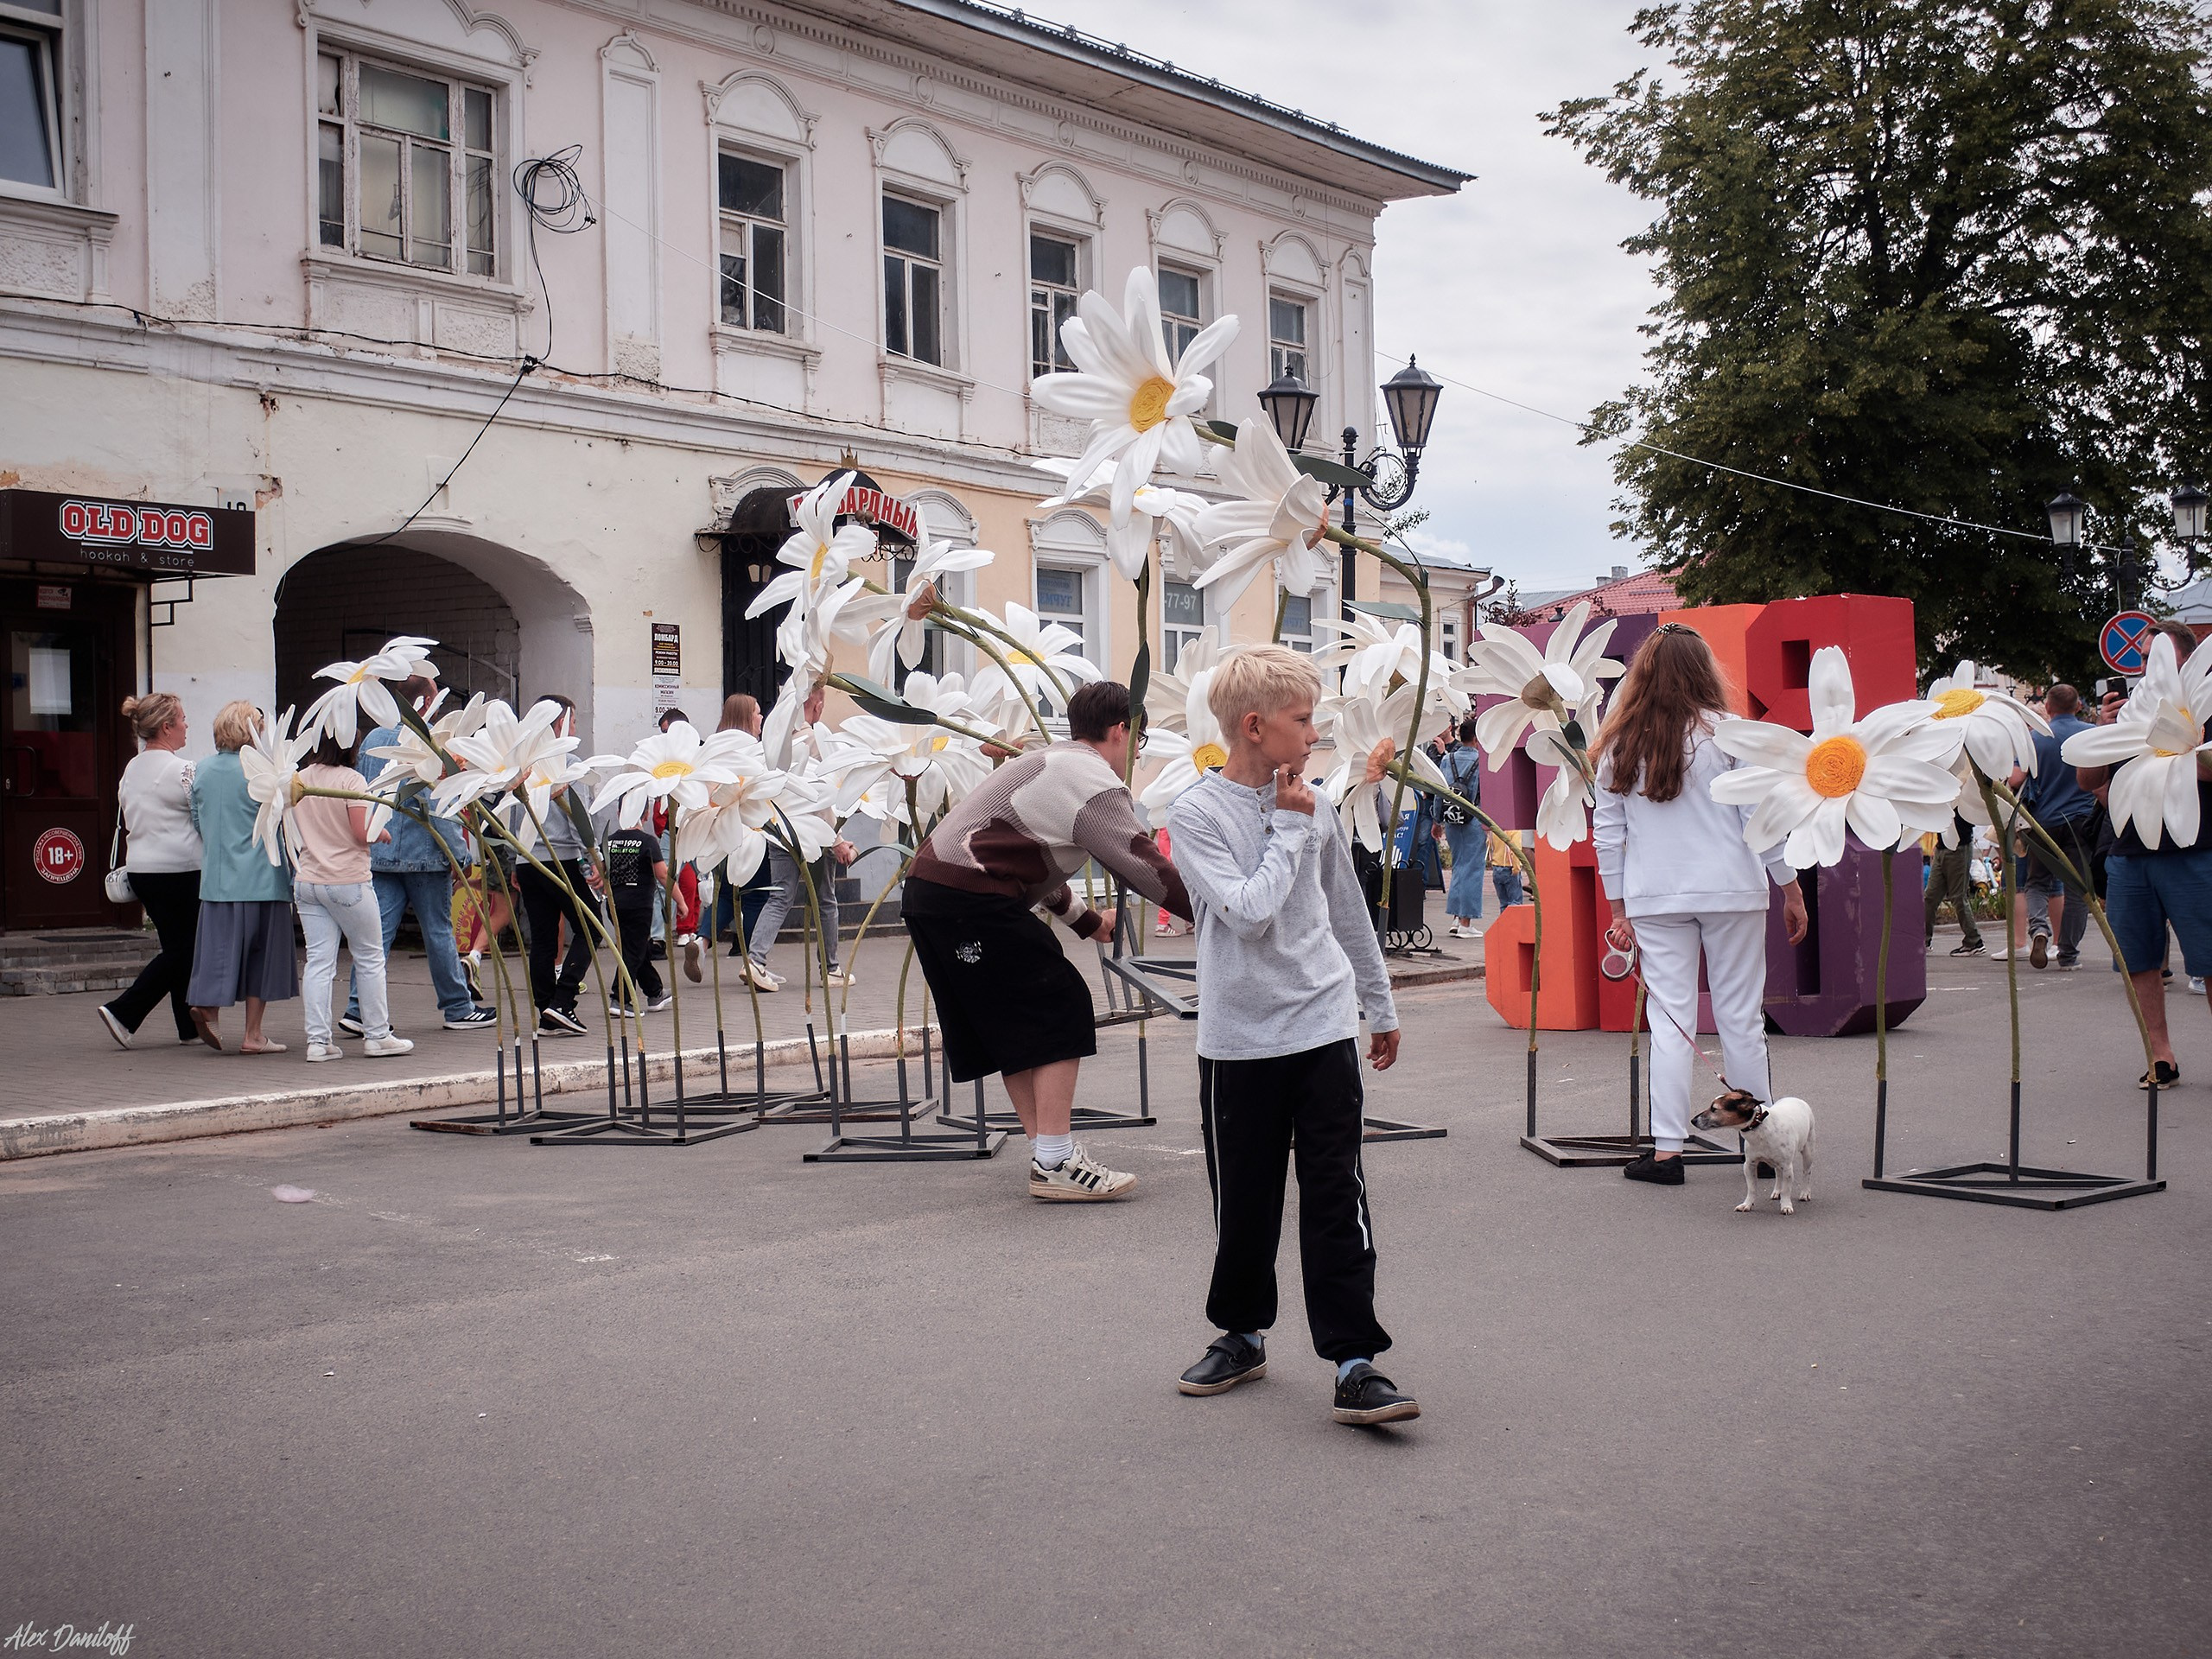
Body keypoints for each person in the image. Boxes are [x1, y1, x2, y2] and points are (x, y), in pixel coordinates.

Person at [1166, 645, 1415, 1427]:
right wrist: (1286, 826)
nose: (1313, 735)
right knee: (1245, 1200)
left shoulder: (1312, 805)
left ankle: (1355, 1362)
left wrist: (1380, 1005)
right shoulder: (1195, 814)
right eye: (1302, 721)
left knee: (1337, 1194)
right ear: (1254, 727)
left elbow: (1346, 908)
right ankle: (1242, 1336)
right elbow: (1248, 912)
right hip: (1238, 1041)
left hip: (1322, 1025)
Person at [903, 678, 1192, 1201]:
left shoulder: (1049, 762)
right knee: (1061, 1004)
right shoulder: (1091, 778)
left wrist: (1087, 922)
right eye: (1139, 740)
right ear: (1121, 730)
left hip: (934, 891)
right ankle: (1057, 1160)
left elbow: (1027, 860)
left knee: (1015, 1024)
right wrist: (1220, 912)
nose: (1136, 754)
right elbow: (1140, 862)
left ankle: (1048, 1156)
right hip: (969, 896)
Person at [1592, 623, 1808, 1185]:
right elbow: (1759, 821)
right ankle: (1764, 1148)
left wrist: (1617, 909)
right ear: (1704, 670)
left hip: (1655, 896)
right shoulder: (1731, 736)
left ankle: (1667, 1153)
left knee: (1670, 1023)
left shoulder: (1619, 743)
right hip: (1733, 891)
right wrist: (1789, 887)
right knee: (1741, 1018)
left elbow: (1608, 835)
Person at [2075, 620, 2212, 1088]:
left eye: (2158, 655)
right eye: (2143, 657)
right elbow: (2088, 781)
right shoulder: (2132, 712)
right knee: (2137, 960)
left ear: (2186, 658)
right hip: (2130, 851)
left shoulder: (2204, 698)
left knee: (2210, 958)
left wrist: (2177, 750)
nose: (2147, 665)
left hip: (2195, 848)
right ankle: (2160, 1056)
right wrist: (2103, 732)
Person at [340, 676, 493, 1037]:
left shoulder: (373, 739)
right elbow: (440, 804)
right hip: (425, 856)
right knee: (438, 932)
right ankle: (457, 1007)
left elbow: (364, 795)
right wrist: (459, 854)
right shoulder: (431, 740)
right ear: (425, 702)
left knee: (375, 936)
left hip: (381, 851)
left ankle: (358, 1009)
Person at [292, 729, 416, 1063]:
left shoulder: (300, 779)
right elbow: (362, 833)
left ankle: (318, 1043)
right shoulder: (352, 780)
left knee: (319, 963)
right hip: (348, 880)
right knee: (370, 957)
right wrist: (382, 831)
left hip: (308, 880)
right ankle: (377, 1036)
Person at [185, 702, 299, 1053]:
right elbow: (281, 817)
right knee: (262, 958)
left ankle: (209, 1007)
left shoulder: (202, 770)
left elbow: (198, 821)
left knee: (219, 952)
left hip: (217, 881)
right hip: (263, 876)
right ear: (252, 731)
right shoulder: (261, 771)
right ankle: (253, 1035)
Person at [99, 693, 204, 1050]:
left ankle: (188, 1027)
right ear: (167, 727)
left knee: (177, 945)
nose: (187, 725)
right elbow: (203, 817)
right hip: (180, 870)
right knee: (185, 950)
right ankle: (123, 1012)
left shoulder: (131, 768)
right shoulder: (183, 770)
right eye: (183, 719)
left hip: (141, 869)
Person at [745, 683, 857, 992]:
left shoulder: (776, 740)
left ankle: (755, 961)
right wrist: (837, 839)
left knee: (780, 896)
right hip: (811, 832)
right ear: (817, 705)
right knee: (825, 901)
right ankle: (831, 969)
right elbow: (820, 796)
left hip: (778, 827)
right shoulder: (815, 739)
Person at [511, 694, 598, 1036]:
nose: (575, 728)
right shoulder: (568, 761)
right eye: (573, 721)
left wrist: (515, 860)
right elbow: (578, 816)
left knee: (544, 938)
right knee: (591, 927)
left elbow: (513, 812)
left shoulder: (523, 762)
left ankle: (547, 1011)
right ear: (560, 723)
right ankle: (562, 1001)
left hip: (528, 860)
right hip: (560, 859)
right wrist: (591, 857)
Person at [2018, 683, 2095, 970]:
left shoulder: (2035, 739)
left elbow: (2015, 779)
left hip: (2043, 823)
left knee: (2037, 882)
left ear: (2048, 708)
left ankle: (2039, 928)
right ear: (2078, 706)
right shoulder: (2090, 734)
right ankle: (2068, 954)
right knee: (2078, 889)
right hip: (2081, 820)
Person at [602, 816, 671, 1013]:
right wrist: (681, 901)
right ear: (646, 814)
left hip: (614, 905)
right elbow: (663, 875)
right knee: (633, 951)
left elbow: (601, 871)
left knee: (636, 948)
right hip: (639, 905)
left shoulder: (609, 840)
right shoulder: (648, 841)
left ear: (619, 813)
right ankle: (620, 999)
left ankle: (654, 992)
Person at [1438, 715, 1487, 938]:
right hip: (1473, 819)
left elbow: (1440, 791)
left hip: (1451, 818)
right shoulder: (1482, 761)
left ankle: (1456, 918)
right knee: (1473, 868)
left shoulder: (1448, 760)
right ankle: (1466, 923)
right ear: (1476, 739)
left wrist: (1437, 820)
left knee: (1459, 866)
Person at [1923, 810, 1987, 956]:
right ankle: (1924, 940)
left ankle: (1974, 941)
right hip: (1942, 848)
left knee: (1958, 896)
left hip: (1959, 847)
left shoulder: (1962, 797)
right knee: (1930, 897)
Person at [1488, 827, 1525, 909]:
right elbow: (1516, 849)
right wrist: (1516, 867)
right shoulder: (1514, 831)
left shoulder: (1494, 829)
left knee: (1503, 903)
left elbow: (1489, 844)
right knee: (1515, 902)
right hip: (1510, 867)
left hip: (1496, 866)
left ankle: (1504, 916)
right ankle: (1514, 918)